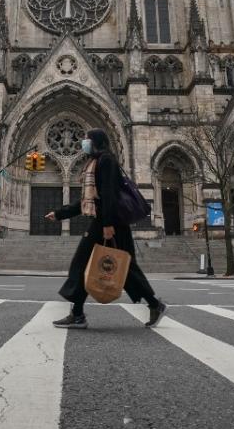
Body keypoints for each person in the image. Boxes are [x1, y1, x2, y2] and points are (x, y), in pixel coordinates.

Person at [45, 128, 167, 329]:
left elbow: (109, 194)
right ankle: (154, 304)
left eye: (86, 139)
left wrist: (108, 225)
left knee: (85, 263)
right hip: (107, 221)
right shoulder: (95, 162)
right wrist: (60, 214)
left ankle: (77, 315)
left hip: (110, 223)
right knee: (124, 268)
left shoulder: (106, 161)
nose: (83, 142)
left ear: (96, 141)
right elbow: (88, 199)